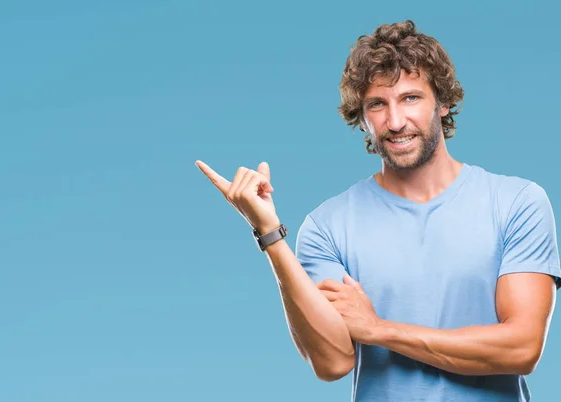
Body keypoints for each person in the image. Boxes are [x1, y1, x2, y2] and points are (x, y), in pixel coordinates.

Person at [194, 19, 560, 401]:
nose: (396, 121)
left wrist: (379, 329)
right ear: (362, 118)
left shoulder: (517, 202)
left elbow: (522, 348)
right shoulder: (328, 225)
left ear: (444, 102)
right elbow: (333, 363)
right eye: (377, 105)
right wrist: (268, 232)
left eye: (411, 98)